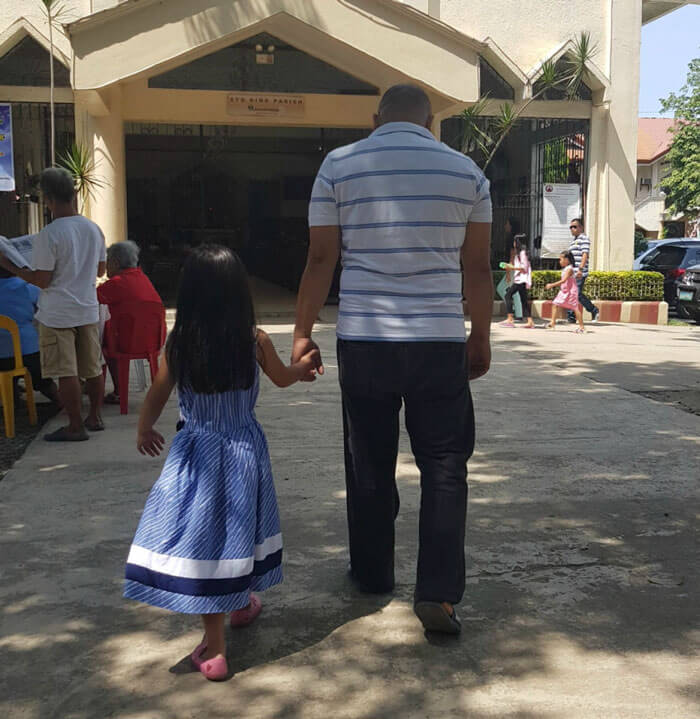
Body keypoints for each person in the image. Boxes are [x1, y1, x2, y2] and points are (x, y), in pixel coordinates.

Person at [293, 84, 493, 635]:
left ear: (375, 118)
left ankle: (375, 572)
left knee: (369, 462)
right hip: (439, 340)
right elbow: (477, 268)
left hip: (365, 338)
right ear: (431, 124)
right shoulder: (467, 173)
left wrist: (301, 333)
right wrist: (481, 335)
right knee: (446, 465)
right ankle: (438, 594)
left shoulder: (339, 165)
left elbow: (320, 257)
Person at [123, 245, 320, 681]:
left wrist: (144, 429)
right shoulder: (255, 340)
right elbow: (284, 379)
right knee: (238, 528)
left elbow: (157, 394)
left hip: (196, 452)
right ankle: (240, 602)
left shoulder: (179, 344)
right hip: (244, 451)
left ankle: (214, 650)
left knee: (204, 539)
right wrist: (302, 367)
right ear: (239, 293)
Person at [0, 167, 106, 441]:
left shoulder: (50, 233)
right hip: (87, 307)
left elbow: (42, 280)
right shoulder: (93, 229)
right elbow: (100, 270)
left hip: (58, 312)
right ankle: (94, 416)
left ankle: (74, 426)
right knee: (92, 367)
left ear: (48, 199)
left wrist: (11, 266)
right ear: (73, 194)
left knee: (65, 371)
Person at [97, 240, 165, 405]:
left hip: (126, 343)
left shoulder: (117, 283)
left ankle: (107, 390)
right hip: (152, 342)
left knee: (98, 343)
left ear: (115, 262)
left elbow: (91, 298)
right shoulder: (143, 279)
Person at [0, 267, 59, 403]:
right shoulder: (26, 287)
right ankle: (61, 403)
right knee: (43, 380)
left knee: (7, 376)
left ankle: (11, 401)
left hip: (1, 357)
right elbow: (44, 307)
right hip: (27, 351)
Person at [567, 218, 599, 323]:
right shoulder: (574, 241)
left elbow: (585, 254)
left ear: (581, 227)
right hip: (573, 272)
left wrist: (580, 269)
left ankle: (593, 310)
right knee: (571, 293)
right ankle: (571, 317)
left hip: (580, 272)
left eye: (575, 227)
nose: (572, 229)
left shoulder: (584, 239)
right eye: (571, 227)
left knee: (577, 294)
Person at [499, 233, 535, 329]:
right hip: (520, 279)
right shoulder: (520, 253)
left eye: (515, 241)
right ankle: (530, 322)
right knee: (524, 301)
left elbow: (524, 268)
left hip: (521, 280)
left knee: (508, 295)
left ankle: (510, 319)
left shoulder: (522, 253)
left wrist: (511, 267)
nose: (514, 243)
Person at [546, 251, 585, 333]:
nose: (560, 261)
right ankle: (552, 323)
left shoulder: (569, 269)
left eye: (561, 259)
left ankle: (582, 327)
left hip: (571, 292)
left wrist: (551, 285)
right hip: (564, 291)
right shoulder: (566, 269)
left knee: (575, 308)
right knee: (555, 304)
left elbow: (563, 280)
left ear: (567, 260)